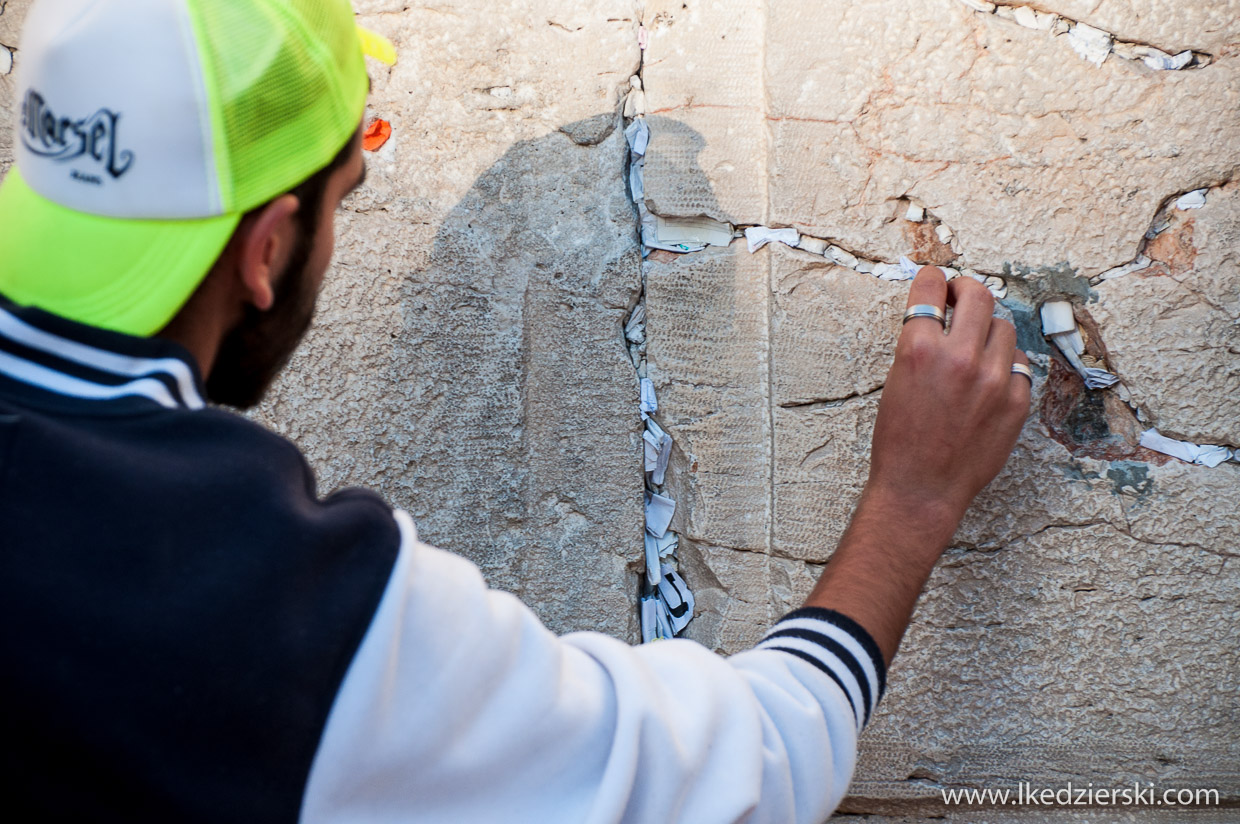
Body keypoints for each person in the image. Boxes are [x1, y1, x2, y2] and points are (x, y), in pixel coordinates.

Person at [0, 0, 1032, 821]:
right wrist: (910, 498)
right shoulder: (258, 603)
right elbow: (736, 769)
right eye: (344, 194)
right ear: (267, 247)